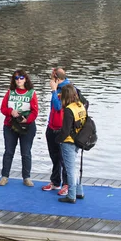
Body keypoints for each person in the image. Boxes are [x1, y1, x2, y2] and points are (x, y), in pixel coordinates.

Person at [0, 70, 39, 187]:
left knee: (26, 153)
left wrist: (27, 119)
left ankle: (26, 177)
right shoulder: (10, 92)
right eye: (16, 78)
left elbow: (35, 111)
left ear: (25, 79)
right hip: (10, 125)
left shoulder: (31, 93)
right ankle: (4, 176)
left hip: (27, 126)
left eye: (21, 78)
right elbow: (3, 108)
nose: (18, 80)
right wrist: (11, 112)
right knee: (9, 152)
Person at [43, 68, 79, 196]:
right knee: (54, 156)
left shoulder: (68, 89)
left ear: (56, 78)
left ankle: (66, 184)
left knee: (64, 159)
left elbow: (58, 107)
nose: (50, 81)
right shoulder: (58, 88)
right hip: (51, 127)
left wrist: (53, 89)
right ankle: (55, 181)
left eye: (51, 78)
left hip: (63, 129)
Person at [56, 84, 86, 203]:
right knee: (74, 167)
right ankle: (79, 191)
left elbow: (65, 130)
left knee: (70, 170)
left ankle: (71, 195)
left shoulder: (69, 109)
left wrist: (58, 139)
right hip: (78, 140)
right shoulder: (80, 106)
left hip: (68, 142)